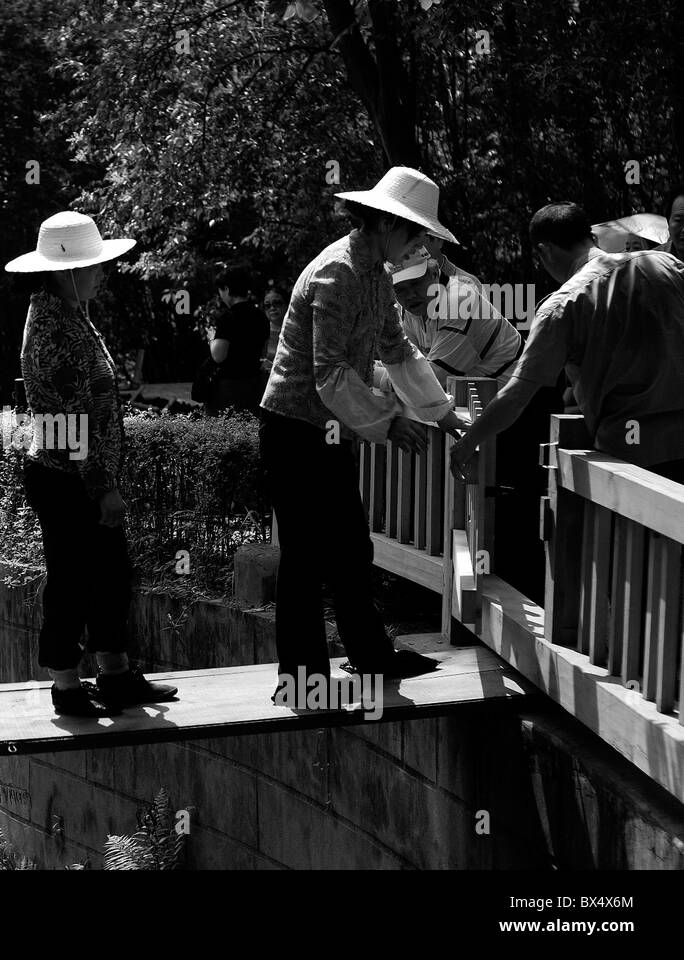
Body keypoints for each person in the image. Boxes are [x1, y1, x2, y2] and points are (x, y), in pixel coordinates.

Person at [260, 167, 468, 706]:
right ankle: (300, 681)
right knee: (304, 556)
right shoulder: (338, 272)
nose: (421, 244)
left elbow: (395, 350)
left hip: (330, 431)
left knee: (351, 546)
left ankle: (370, 656)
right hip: (292, 430)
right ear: (387, 224)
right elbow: (328, 371)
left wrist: (441, 412)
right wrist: (387, 422)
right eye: (417, 233)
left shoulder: (375, 272)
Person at [7, 211, 179, 718]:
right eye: (95, 265)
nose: (103, 273)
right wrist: (103, 487)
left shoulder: (69, 312)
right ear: (66, 271)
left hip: (79, 475)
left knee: (110, 575)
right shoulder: (54, 329)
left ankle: (115, 673)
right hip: (67, 479)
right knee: (72, 581)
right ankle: (64, 683)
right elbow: (67, 422)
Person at [452, 201, 684, 486]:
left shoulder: (562, 306)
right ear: (593, 239)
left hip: (631, 459)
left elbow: (516, 396)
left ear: (544, 251)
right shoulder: (666, 265)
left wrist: (467, 443)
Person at [386, 243, 523, 389]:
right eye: (399, 289)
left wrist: (370, 375)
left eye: (416, 283)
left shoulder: (460, 302)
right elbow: (405, 362)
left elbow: (427, 380)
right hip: (479, 396)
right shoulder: (408, 309)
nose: (410, 295)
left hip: (521, 395)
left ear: (435, 274)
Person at [207, 264, 269, 414]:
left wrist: (211, 338)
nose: (221, 296)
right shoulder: (260, 315)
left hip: (230, 386)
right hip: (255, 384)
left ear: (227, 289)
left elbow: (218, 356)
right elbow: (264, 351)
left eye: (221, 291)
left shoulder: (228, 317)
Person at [260, 283, 287, 370]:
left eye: (277, 303)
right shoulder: (261, 332)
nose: (272, 308)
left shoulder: (297, 330)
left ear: (287, 304)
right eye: (267, 305)